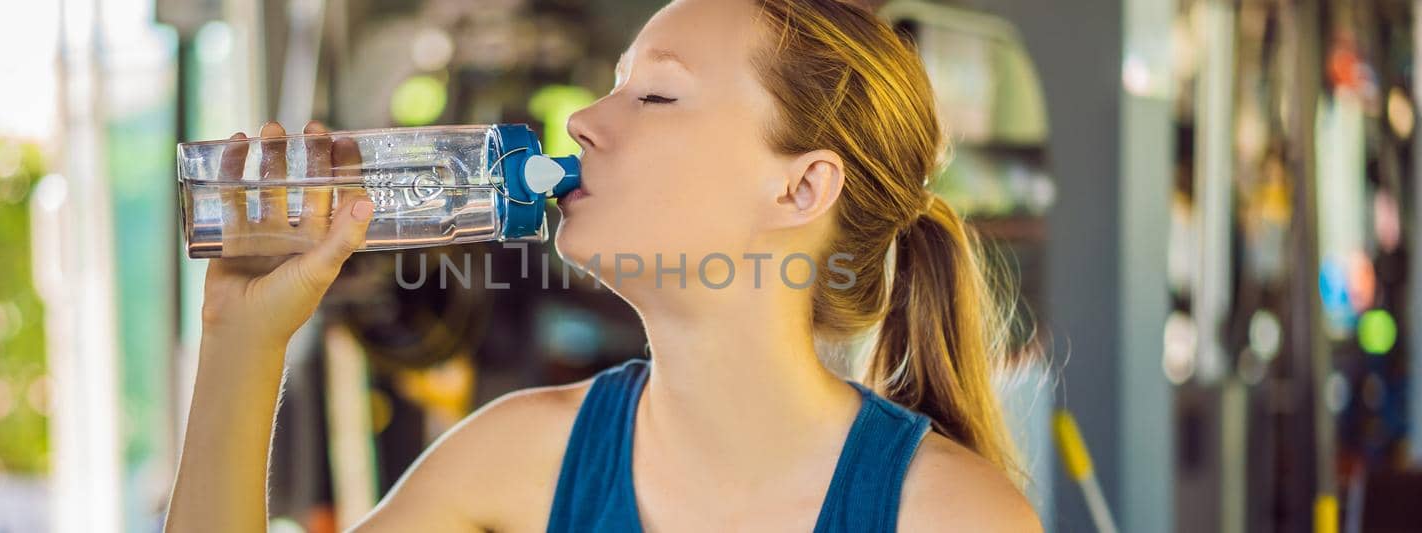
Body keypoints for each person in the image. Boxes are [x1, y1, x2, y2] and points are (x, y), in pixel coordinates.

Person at [165, 0, 1044, 531]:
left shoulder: (952, 517)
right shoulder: (515, 461)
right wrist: (239, 340)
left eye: (656, 93)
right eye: (615, 84)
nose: (584, 118)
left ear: (802, 186)